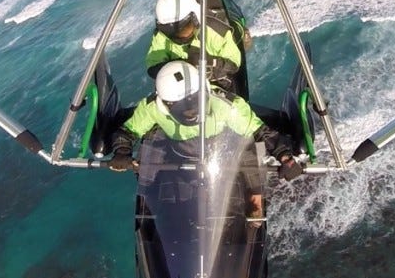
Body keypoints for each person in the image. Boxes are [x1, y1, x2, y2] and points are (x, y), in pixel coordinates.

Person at [108, 61, 302, 218]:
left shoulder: (228, 105)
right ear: (166, 104)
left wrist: (285, 157)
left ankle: (255, 204)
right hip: (178, 153)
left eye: (194, 101)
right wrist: (122, 151)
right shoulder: (151, 107)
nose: (191, 111)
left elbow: (261, 131)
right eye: (182, 107)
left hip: (223, 149)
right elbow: (127, 131)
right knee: (158, 192)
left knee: (248, 152)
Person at [146, 0, 245, 93]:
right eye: (169, 31)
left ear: (196, 18)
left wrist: (210, 63)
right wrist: (184, 64)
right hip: (180, 86)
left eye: (184, 29)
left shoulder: (217, 31)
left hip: (214, 86)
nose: (178, 37)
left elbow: (234, 64)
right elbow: (153, 66)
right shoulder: (161, 36)